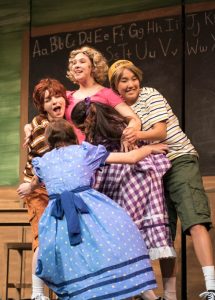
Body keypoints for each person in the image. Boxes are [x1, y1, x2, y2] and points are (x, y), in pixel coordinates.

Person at [17, 118, 170, 300]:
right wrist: (149, 148)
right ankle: (145, 295)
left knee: (69, 257)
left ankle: (56, 293)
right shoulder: (84, 151)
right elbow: (130, 158)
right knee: (113, 244)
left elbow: (34, 182)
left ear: (49, 141)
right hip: (89, 209)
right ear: (72, 136)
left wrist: (28, 188)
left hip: (58, 218)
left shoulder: (44, 161)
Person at [108, 59, 215, 300]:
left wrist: (136, 135)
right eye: (123, 80)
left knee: (194, 218)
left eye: (133, 78)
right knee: (162, 232)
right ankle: (169, 295)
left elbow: (160, 132)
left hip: (178, 160)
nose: (131, 84)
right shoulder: (120, 110)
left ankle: (212, 287)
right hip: (153, 170)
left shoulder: (150, 95)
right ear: (115, 86)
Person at [18, 78, 67, 300]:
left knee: (62, 241)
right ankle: (37, 294)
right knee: (43, 237)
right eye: (48, 100)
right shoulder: (41, 128)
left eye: (57, 96)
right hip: (38, 190)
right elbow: (50, 163)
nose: (55, 102)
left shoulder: (66, 124)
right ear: (42, 106)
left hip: (58, 190)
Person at [66, 46, 141, 144]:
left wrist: (127, 137)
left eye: (82, 61)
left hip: (103, 152)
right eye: (74, 63)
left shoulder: (107, 93)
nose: (76, 65)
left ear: (93, 67)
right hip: (75, 154)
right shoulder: (67, 96)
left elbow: (134, 119)